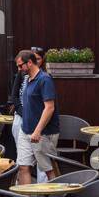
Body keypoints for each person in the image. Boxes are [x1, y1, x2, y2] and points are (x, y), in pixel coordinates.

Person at [13, 49, 58, 185]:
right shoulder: (28, 79)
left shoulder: (44, 79)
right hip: (25, 130)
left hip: (42, 132)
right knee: (23, 167)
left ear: (30, 63)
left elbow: (50, 107)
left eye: (21, 66)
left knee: (48, 169)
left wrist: (38, 130)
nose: (19, 69)